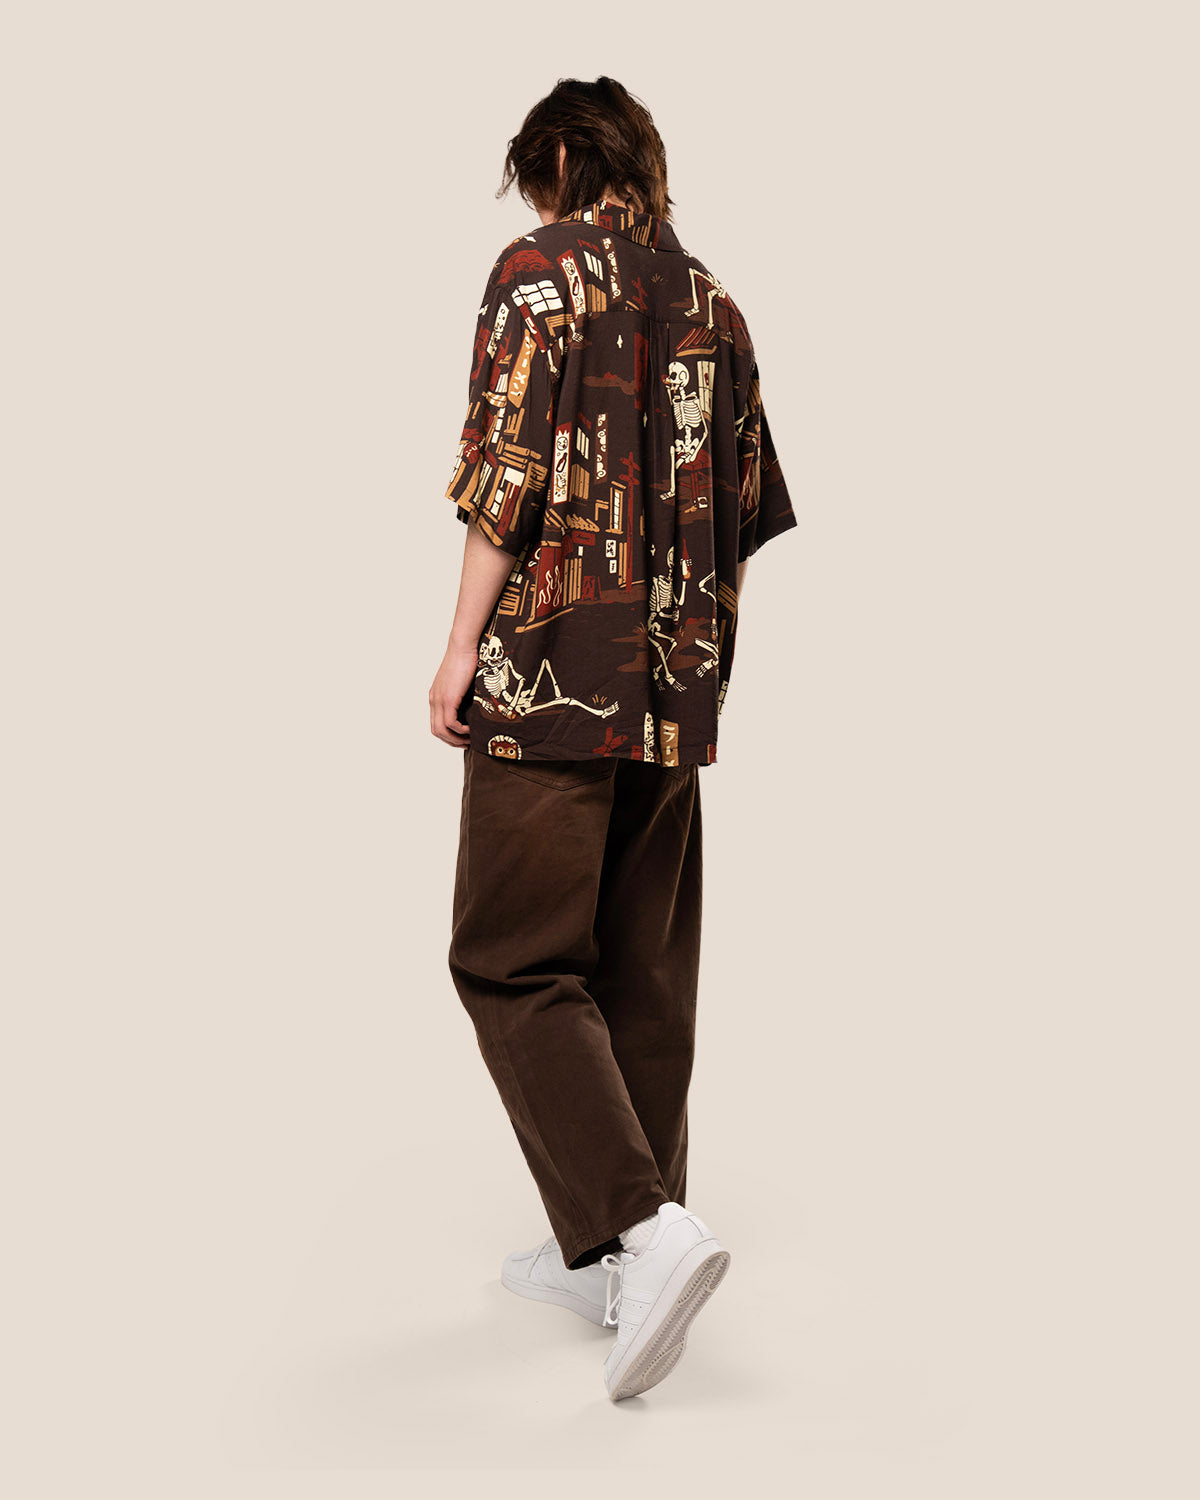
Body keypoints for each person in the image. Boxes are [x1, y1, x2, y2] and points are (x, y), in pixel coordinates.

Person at [428, 77, 797, 1401]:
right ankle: (614, 1258)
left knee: (512, 959)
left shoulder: (537, 273)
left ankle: (641, 1232)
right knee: (638, 967)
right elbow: (744, 512)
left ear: (559, 167)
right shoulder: (715, 302)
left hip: (552, 676)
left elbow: (505, 481)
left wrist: (460, 649)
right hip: (676, 685)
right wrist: (690, 661)